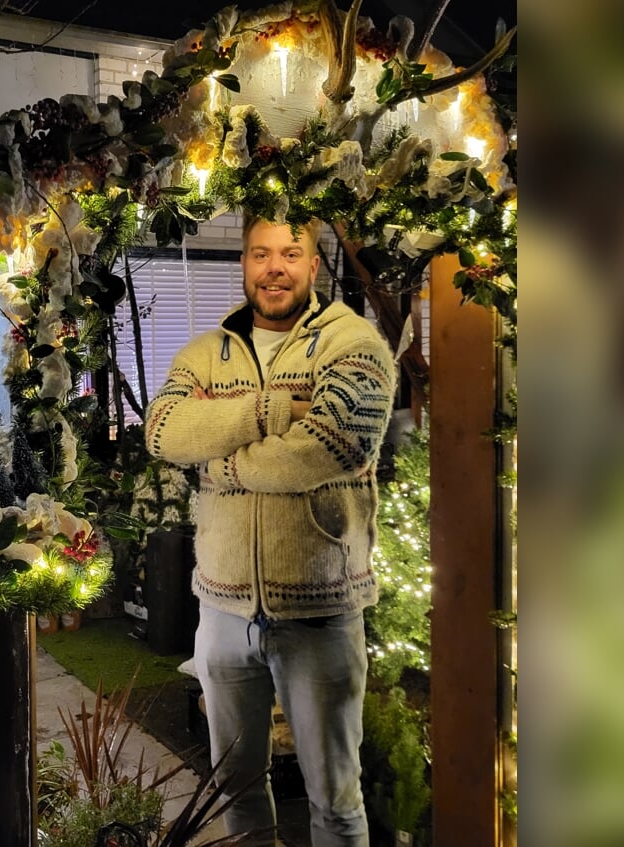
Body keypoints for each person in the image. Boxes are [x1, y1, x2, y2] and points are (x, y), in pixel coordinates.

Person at [145, 215, 396, 846]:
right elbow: (163, 431)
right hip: (222, 611)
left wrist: (222, 460)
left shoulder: (354, 343)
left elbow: (333, 443)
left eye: (290, 253)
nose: (274, 268)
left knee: (335, 800)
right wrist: (277, 408)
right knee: (235, 788)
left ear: (314, 266)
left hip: (320, 613)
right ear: (245, 265)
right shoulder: (205, 352)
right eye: (261, 254)